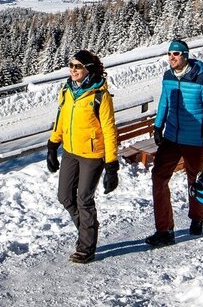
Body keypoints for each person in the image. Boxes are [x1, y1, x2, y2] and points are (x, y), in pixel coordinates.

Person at [145, 39, 203, 247]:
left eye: (176, 54)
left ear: (185, 56)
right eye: (170, 54)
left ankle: (197, 218)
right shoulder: (168, 76)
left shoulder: (202, 79)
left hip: (195, 139)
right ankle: (164, 230)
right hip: (171, 136)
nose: (172, 57)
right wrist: (157, 125)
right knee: (158, 177)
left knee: (194, 181)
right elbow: (164, 100)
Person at [46, 49, 119, 264]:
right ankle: (88, 229)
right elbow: (61, 118)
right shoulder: (67, 90)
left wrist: (111, 165)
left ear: (88, 69)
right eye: (71, 65)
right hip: (70, 151)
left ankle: (86, 247)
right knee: (65, 196)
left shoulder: (100, 95)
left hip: (92, 154)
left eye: (78, 66)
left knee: (84, 199)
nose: (73, 69)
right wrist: (52, 144)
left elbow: (109, 130)